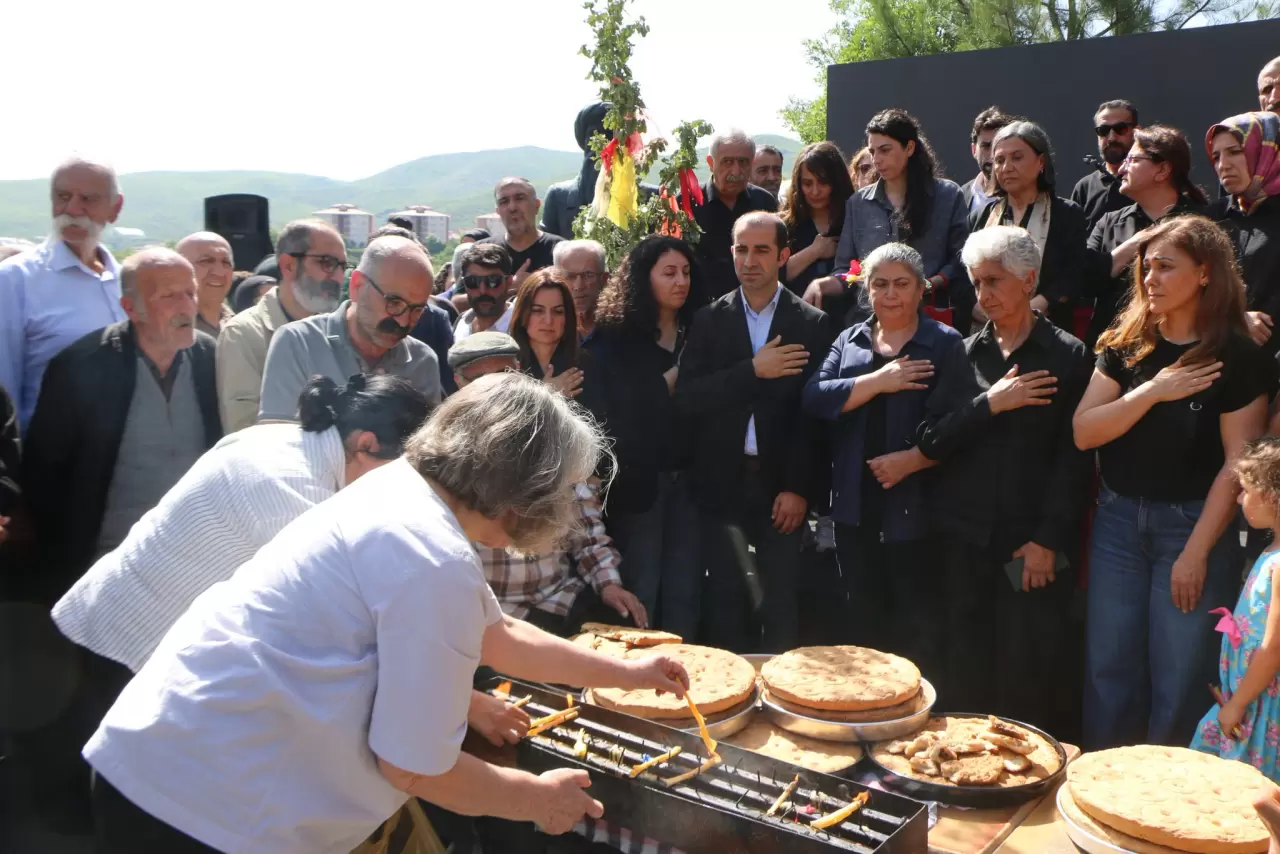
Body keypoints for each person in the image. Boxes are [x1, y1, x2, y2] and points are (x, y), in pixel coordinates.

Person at [82, 372, 690, 853]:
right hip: (199, 808)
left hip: (168, 764)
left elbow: (497, 635)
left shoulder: (402, 492)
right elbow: (414, 769)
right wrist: (537, 800)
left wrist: (629, 675)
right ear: (522, 490)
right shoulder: (431, 555)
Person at [51, 373, 429, 674]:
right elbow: (339, 624)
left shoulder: (284, 441)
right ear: (365, 445)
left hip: (111, 625)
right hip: (117, 643)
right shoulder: (291, 492)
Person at [1074, 215, 1276, 749]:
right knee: (1108, 672)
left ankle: (1165, 812)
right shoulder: (1126, 342)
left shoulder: (1238, 355)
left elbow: (1237, 466)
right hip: (1117, 522)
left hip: (1191, 527)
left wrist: (1196, 550)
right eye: (1146, 267)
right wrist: (1153, 391)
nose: (1149, 279)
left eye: (1166, 267)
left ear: (1205, 273)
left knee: (1178, 680)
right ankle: (1101, 787)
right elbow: (1083, 431)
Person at [922, 226, 1093, 741]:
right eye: (976, 283)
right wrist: (991, 403)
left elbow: (1074, 460)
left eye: (994, 281)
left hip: (1029, 545)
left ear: (1029, 279)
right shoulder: (962, 353)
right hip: (962, 540)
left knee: (1027, 675)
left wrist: (1047, 541)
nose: (983, 295)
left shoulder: (1068, 355)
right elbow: (931, 439)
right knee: (963, 670)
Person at [801, 242, 968, 671]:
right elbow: (815, 399)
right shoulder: (850, 338)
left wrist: (913, 458)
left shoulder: (944, 342)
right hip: (854, 508)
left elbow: (959, 424)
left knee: (916, 629)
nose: (890, 294)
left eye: (900, 284)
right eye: (879, 285)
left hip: (916, 509)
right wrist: (878, 381)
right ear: (867, 290)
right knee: (862, 625)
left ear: (920, 290)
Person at [22, 248, 222, 604]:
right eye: (169, 296)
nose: (186, 306)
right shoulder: (82, 366)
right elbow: (45, 475)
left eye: (190, 293)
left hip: (195, 564)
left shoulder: (212, 359)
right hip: (108, 568)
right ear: (131, 309)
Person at [675, 212, 833, 652]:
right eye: (741, 249)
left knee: (781, 604)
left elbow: (814, 416)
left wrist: (800, 488)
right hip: (722, 485)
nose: (750, 260)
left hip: (781, 487)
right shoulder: (708, 319)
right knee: (727, 602)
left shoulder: (811, 323)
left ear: (784, 255)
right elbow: (688, 399)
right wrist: (751, 371)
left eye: (762, 250)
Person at [587, 236, 705, 641]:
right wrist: (671, 380)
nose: (681, 282)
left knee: (685, 590)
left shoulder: (700, 328)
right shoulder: (614, 337)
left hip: (689, 478)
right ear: (644, 277)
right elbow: (617, 411)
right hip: (638, 485)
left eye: (686, 272)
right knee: (641, 586)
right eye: (669, 272)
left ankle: (689, 675)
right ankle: (635, 683)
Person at [0, 157, 127, 433]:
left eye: (88, 199)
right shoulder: (15, 280)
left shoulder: (126, 280)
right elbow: (4, 389)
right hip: (48, 463)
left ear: (115, 208)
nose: (71, 209)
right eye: (62, 196)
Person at [258, 236, 442, 420]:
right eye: (394, 303)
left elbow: (425, 445)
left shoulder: (423, 362)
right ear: (357, 286)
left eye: (417, 310)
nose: (403, 321)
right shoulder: (297, 344)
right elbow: (278, 438)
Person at [1191, 437, 1280, 781]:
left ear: (1272, 496)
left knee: (1241, 797)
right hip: (1244, 702)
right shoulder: (1271, 549)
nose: (1240, 499)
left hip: (1257, 708)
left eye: (1246, 490)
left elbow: (1273, 648)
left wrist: (1238, 704)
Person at [215, 219, 347, 432]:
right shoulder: (244, 334)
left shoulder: (339, 331)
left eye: (342, 266)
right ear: (288, 265)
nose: (338, 276)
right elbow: (244, 430)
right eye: (327, 263)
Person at [1084, 125, 1207, 349]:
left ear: (1162, 170)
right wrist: (1136, 243)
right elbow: (1084, 281)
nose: (1121, 169)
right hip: (1115, 352)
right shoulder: (1109, 222)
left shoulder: (1203, 223)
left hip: (1184, 350)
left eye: (1133, 160)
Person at [478, 477, 648, 637]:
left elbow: (586, 535)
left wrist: (609, 584)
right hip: (495, 606)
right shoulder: (469, 476)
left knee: (623, 623)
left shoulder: (563, 463)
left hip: (559, 595)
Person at [970, 120, 1089, 333]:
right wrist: (977, 305)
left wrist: (1038, 305)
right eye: (999, 160)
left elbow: (1074, 274)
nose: (1007, 168)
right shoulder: (982, 216)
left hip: (1048, 330)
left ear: (1040, 162)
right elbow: (965, 272)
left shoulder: (1067, 214)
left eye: (1017, 158)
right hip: (988, 330)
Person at [1208, 112, 1280, 355]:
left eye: (1235, 151)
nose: (1223, 165)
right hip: (1218, 358)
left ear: (1266, 151)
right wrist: (1235, 318)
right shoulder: (1213, 217)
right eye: (1216, 156)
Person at [687, 128, 778, 299]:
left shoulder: (765, 203)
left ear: (752, 162)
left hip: (755, 308)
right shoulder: (686, 205)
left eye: (743, 162)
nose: (736, 171)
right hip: (700, 313)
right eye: (727, 162)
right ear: (710, 163)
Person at [508, 267, 605, 421]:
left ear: (568, 317)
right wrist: (545, 394)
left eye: (558, 311)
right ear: (522, 313)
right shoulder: (505, 366)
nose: (548, 321)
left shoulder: (586, 367)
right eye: (538, 310)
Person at [779, 141, 855, 299]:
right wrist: (814, 251)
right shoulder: (784, 225)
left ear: (837, 182)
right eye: (807, 183)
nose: (815, 191)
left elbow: (866, 269)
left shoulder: (854, 219)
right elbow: (773, 275)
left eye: (823, 182)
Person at [543, 102, 612, 239]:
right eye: (594, 138)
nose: (602, 149)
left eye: (610, 138)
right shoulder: (558, 196)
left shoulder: (648, 196)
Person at [478, 177, 564, 286]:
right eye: (504, 201)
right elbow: (456, 300)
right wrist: (508, 288)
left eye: (519, 198)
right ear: (498, 211)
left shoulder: (560, 250)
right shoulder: (482, 251)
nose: (512, 207)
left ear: (537, 205)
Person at [1071, 99, 1141, 234]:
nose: (1111, 137)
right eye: (1103, 130)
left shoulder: (1148, 181)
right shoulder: (1084, 187)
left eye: (1120, 129)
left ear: (1137, 131)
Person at [175, 231, 235, 336]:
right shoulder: (168, 329)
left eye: (226, 262)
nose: (219, 272)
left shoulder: (243, 325)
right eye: (206, 261)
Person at [455, 243, 515, 340]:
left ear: (509, 282)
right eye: (472, 281)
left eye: (493, 281)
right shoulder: (461, 325)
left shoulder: (525, 328)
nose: (483, 291)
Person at [960, 107, 1014, 215]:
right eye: (986, 146)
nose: (993, 155)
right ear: (974, 150)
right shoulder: (960, 196)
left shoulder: (1020, 195)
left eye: (998, 146)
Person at [553, 239, 607, 341]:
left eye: (588, 275)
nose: (578, 286)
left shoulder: (621, 328)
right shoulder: (548, 326)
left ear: (604, 279)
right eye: (569, 276)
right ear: (556, 279)